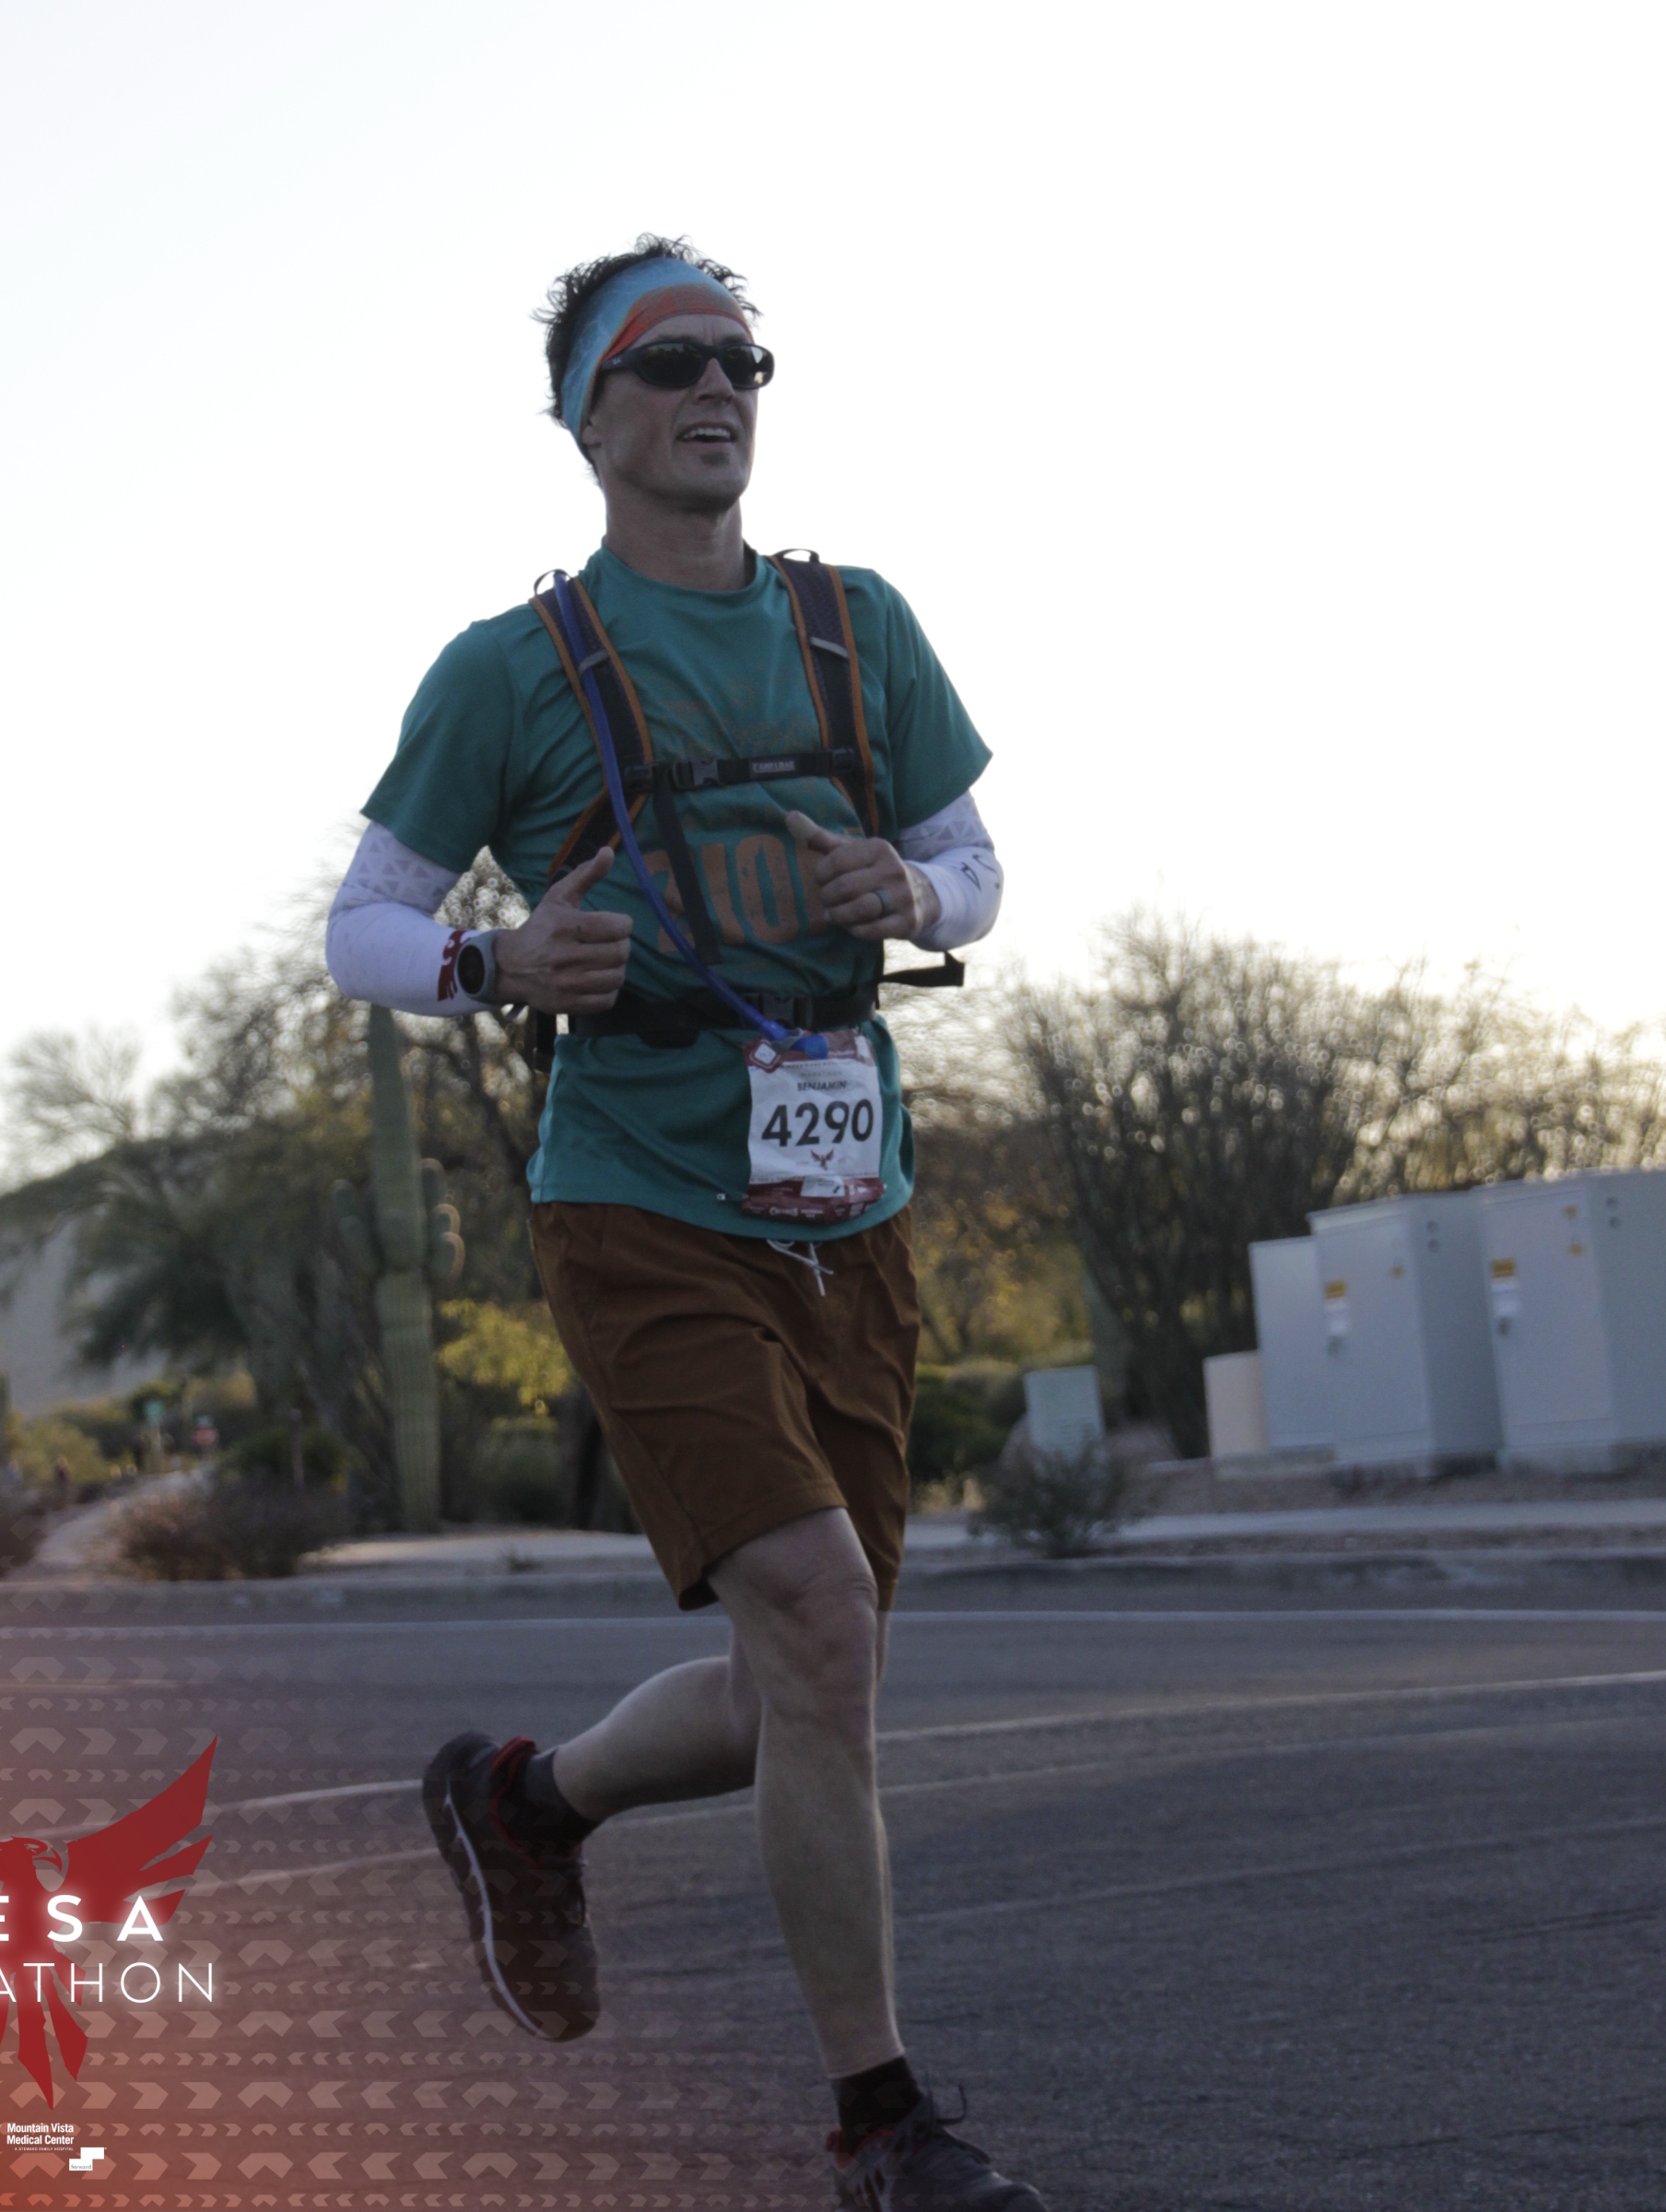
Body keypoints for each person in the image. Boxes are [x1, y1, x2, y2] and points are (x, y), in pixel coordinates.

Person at [326, 237, 1042, 2212]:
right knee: (813, 1612)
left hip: (852, 1204)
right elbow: (363, 920)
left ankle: (529, 1801)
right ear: (589, 420)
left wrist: (909, 892)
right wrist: (489, 962)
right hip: (639, 1198)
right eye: (668, 362)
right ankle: (884, 2127)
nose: (717, 386)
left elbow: (977, 865)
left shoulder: (857, 626)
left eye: (743, 359)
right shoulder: (510, 670)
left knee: (809, 1678)